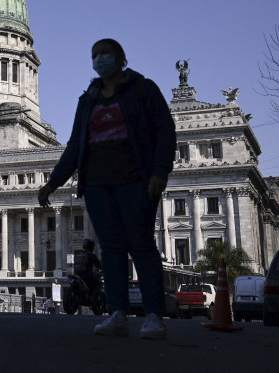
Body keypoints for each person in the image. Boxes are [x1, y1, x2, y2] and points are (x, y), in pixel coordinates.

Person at [38, 38, 176, 340]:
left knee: (141, 244)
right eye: (94, 55)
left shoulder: (143, 88)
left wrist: (160, 171)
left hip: (135, 178)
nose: (99, 59)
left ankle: (154, 314)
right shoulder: (88, 99)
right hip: (98, 183)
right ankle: (117, 313)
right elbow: (75, 146)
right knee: (110, 249)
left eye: (105, 54)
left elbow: (165, 129)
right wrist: (53, 182)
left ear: (120, 58)